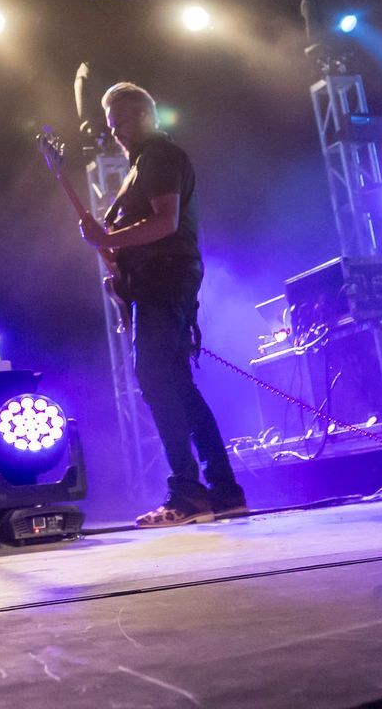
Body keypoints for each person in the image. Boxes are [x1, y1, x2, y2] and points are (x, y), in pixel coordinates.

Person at [78, 82, 247, 527]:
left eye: (121, 121)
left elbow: (165, 222)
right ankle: (225, 492)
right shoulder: (142, 166)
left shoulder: (158, 157)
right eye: (111, 124)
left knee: (154, 378)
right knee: (179, 388)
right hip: (160, 282)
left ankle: (187, 495)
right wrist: (117, 263)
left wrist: (109, 238)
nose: (115, 131)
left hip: (165, 280)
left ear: (146, 116)